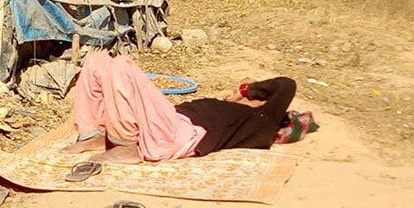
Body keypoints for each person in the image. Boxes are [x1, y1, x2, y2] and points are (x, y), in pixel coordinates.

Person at [63, 49, 296, 164]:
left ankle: (126, 144)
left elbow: (286, 85)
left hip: (175, 136)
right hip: (165, 122)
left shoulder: (263, 119)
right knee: (96, 60)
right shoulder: (225, 108)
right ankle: (93, 134)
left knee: (121, 66)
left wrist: (245, 90)